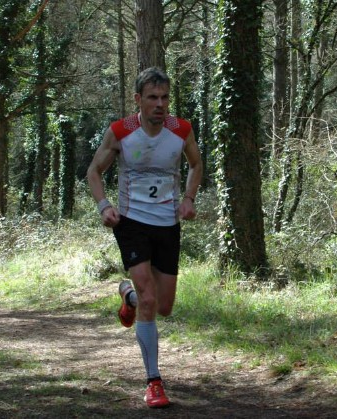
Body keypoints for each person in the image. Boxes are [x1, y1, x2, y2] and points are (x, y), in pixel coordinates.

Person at [87, 67, 202, 408]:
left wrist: (189, 198)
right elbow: (95, 171)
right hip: (131, 222)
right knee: (150, 299)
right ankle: (154, 381)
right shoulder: (121, 132)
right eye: (152, 98)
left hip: (167, 224)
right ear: (138, 100)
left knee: (162, 307)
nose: (160, 104)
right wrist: (104, 205)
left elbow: (196, 164)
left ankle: (129, 298)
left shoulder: (181, 130)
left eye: (165, 97)